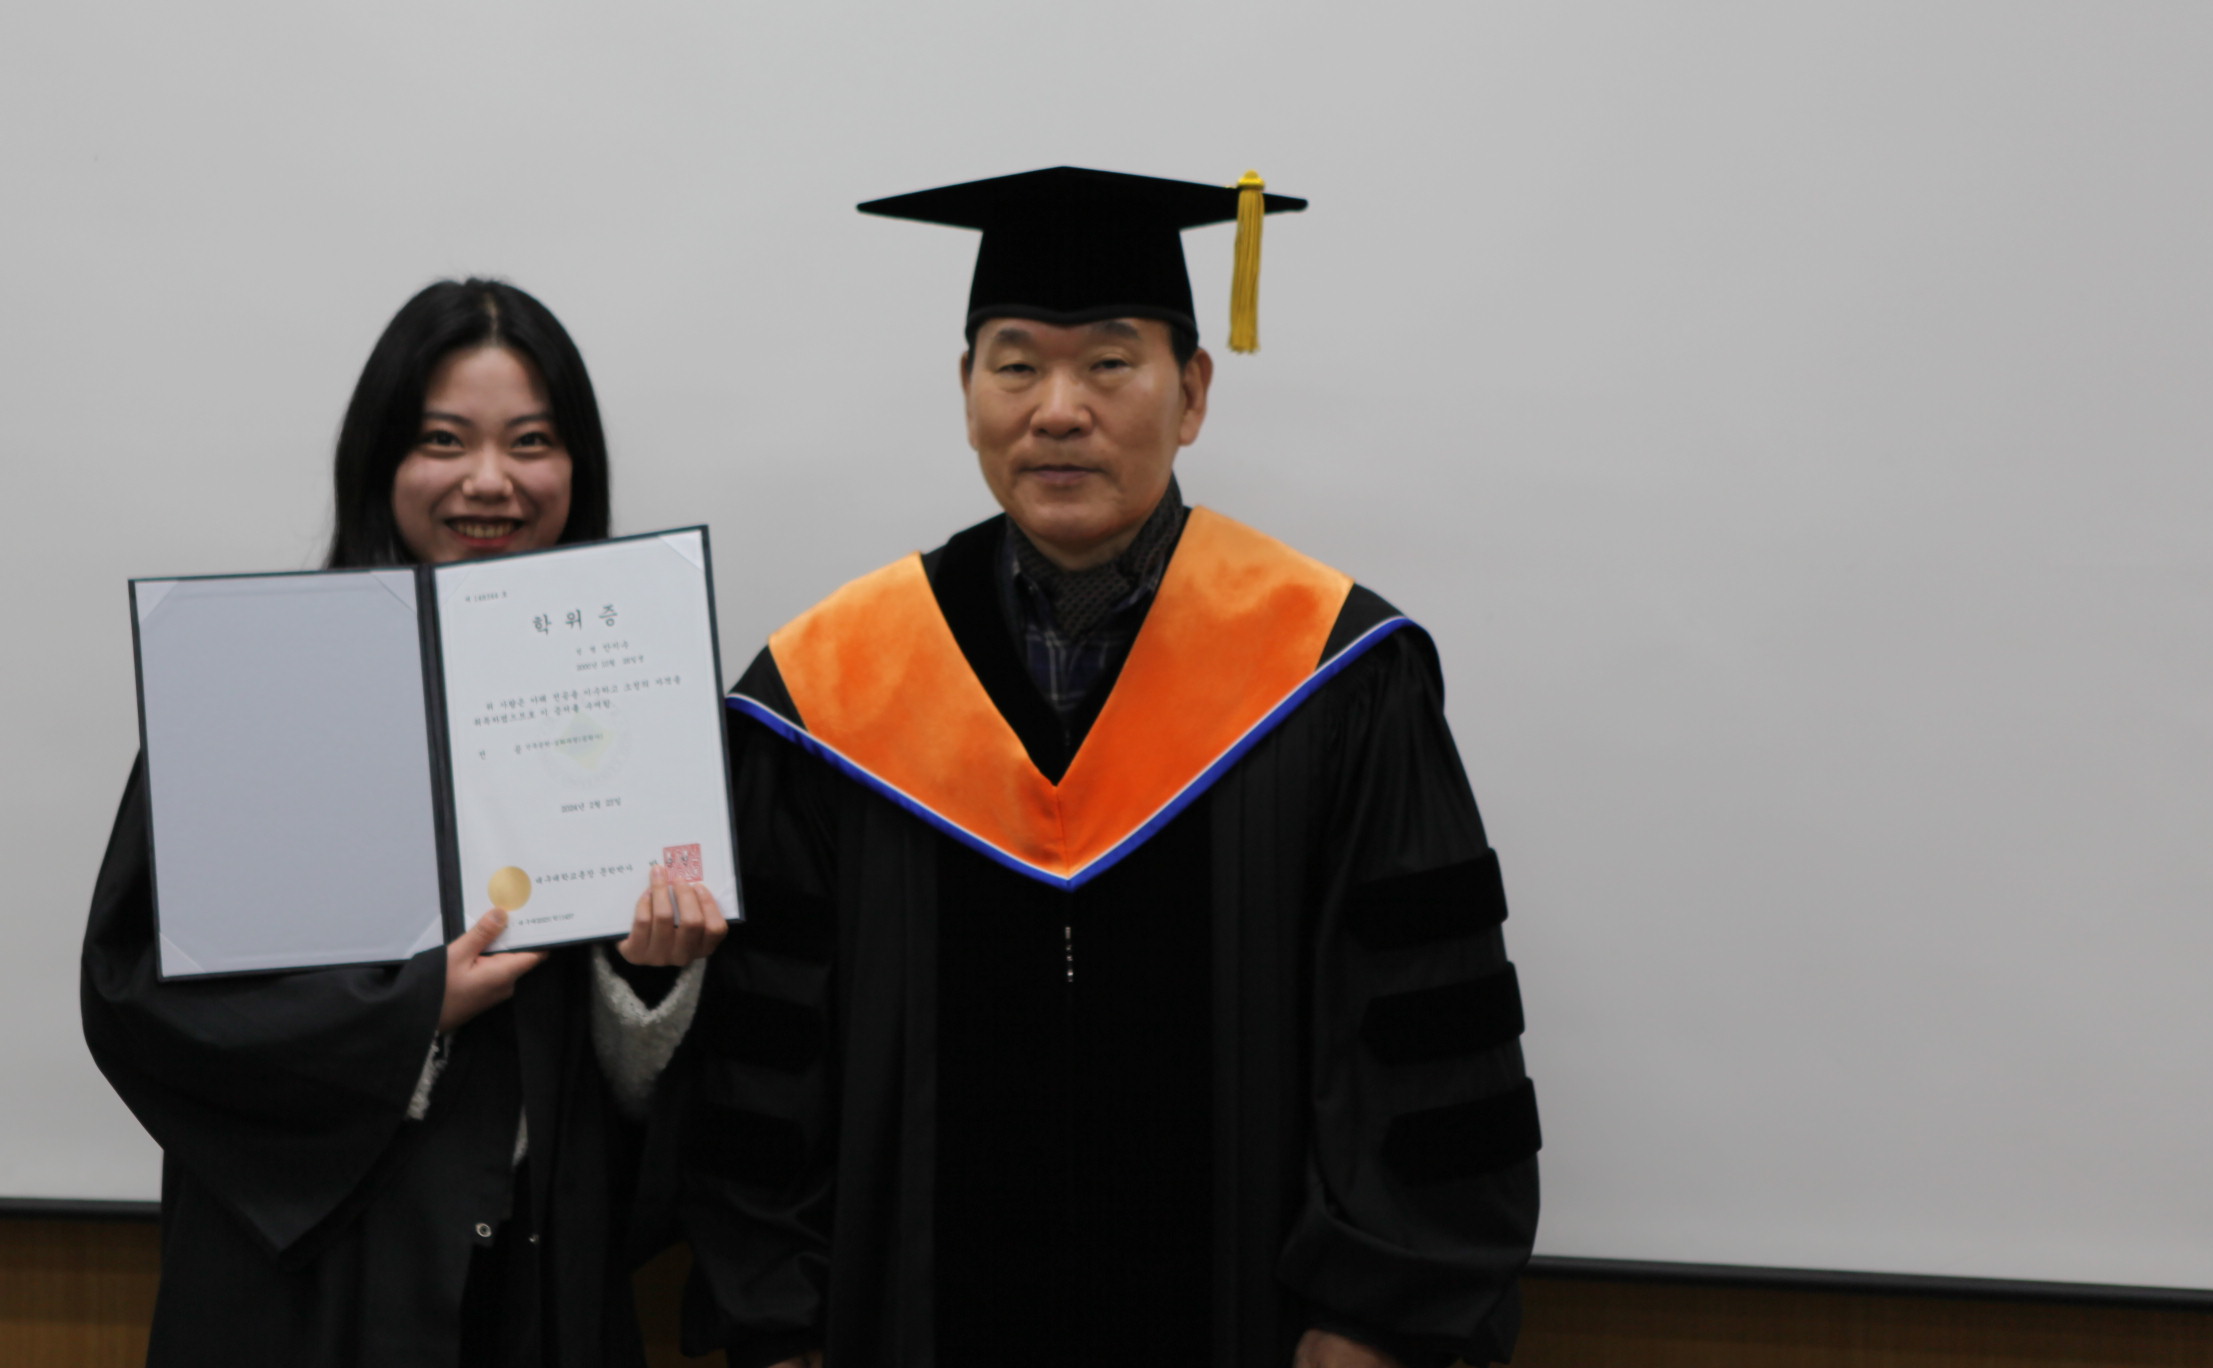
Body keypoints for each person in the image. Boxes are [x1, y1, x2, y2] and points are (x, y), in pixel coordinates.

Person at [669, 170, 1538, 1368]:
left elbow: (1422, 1031)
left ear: (1193, 393)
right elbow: (763, 1069)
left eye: (1111, 364)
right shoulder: (827, 693)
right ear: (966, 393)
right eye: (1016, 365)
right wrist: (777, 1324)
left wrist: (1375, 1319)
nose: (1058, 409)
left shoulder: (1336, 673)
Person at [83, 277, 728, 1366]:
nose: (491, 480)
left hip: (537, 1284)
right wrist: (409, 1011)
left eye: (532, 441)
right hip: (312, 1290)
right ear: (381, 460)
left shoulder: (631, 692)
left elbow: (663, 1092)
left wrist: (650, 981)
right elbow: (139, 1000)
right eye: (444, 439)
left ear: (577, 468)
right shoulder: (256, 685)